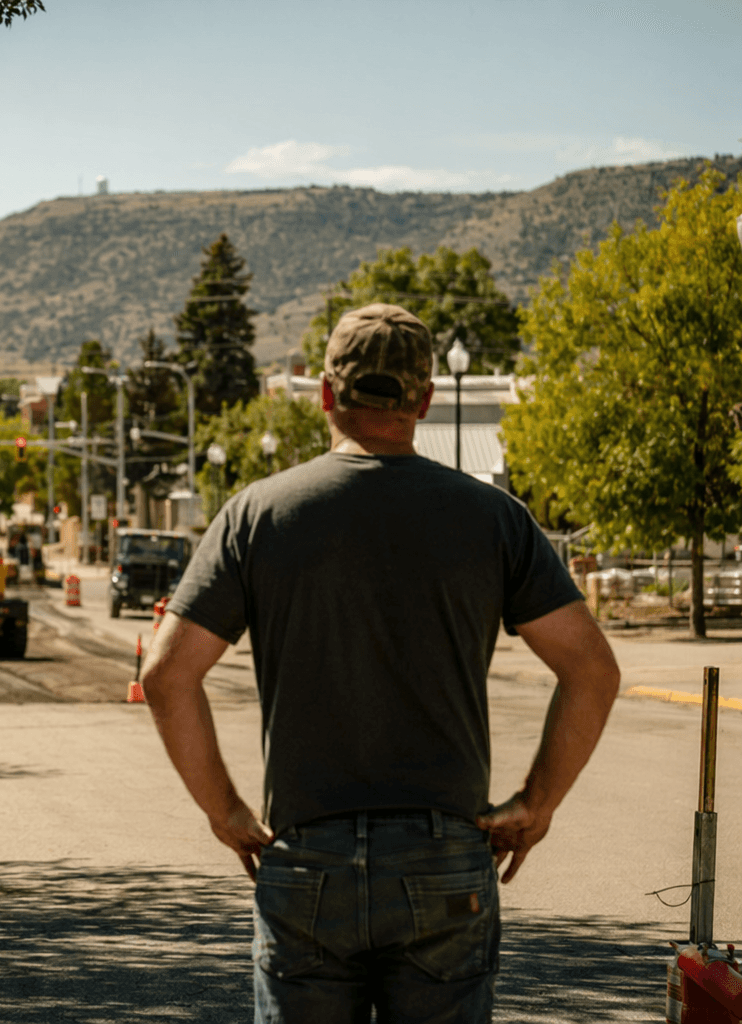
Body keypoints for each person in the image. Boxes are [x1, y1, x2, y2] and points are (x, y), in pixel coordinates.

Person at [141, 303, 620, 1023]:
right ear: (424, 400)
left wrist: (227, 811)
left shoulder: (257, 515)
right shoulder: (493, 519)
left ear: (328, 395)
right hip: (447, 858)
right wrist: (536, 801)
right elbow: (592, 671)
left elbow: (165, 676)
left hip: (307, 857)